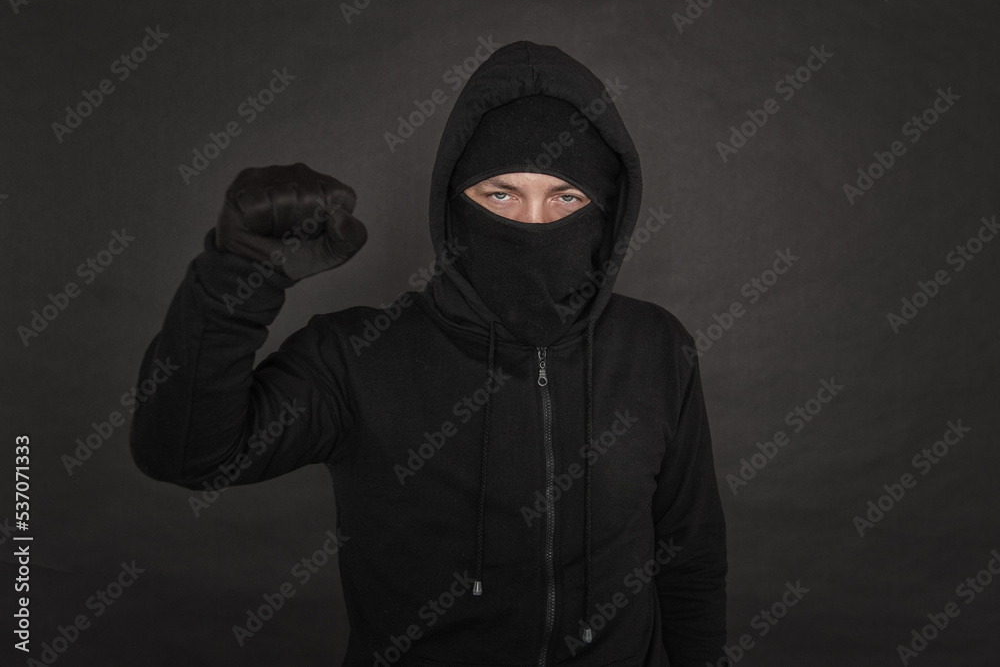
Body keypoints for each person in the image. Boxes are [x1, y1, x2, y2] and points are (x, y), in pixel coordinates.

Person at [130, 39, 728, 666]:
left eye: (565, 197)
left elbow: (689, 559)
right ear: (452, 205)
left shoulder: (657, 348)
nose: (531, 223)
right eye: (500, 194)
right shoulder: (357, 357)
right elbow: (185, 451)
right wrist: (238, 275)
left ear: (606, 216)